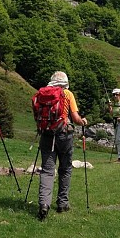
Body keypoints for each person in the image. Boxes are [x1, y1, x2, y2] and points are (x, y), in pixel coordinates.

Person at [37, 71, 88, 221]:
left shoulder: (43, 94)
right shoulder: (67, 94)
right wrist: (83, 121)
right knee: (65, 168)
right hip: (64, 134)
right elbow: (76, 118)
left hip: (47, 134)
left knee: (47, 170)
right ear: (65, 82)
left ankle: (44, 205)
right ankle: (62, 203)